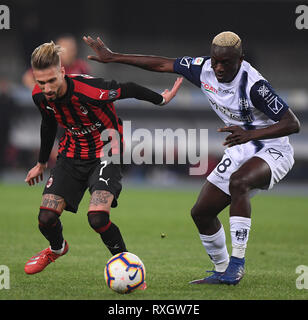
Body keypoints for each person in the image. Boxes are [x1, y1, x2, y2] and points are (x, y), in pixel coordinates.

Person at [83, 31, 300, 285]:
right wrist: (113, 57)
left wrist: (251, 133)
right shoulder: (203, 68)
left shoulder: (254, 85)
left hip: (272, 148)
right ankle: (222, 271)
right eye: (215, 60)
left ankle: (237, 264)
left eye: (226, 63)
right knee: (202, 213)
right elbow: (163, 64)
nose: (218, 67)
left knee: (239, 182)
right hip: (240, 146)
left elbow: (292, 123)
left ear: (240, 60)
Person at [24, 40, 183, 275]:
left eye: (51, 81)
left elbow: (128, 88)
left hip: (107, 152)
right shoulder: (39, 95)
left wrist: (161, 100)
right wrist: (41, 163)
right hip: (71, 154)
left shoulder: (91, 91)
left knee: (97, 218)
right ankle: (56, 249)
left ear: (62, 72)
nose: (46, 88)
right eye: (41, 82)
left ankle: (129, 269)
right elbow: (48, 124)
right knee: (46, 218)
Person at [22, 35, 91, 91]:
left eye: (71, 49)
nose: (69, 53)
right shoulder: (49, 64)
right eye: (65, 50)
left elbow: (87, 86)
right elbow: (28, 77)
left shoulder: (81, 66)